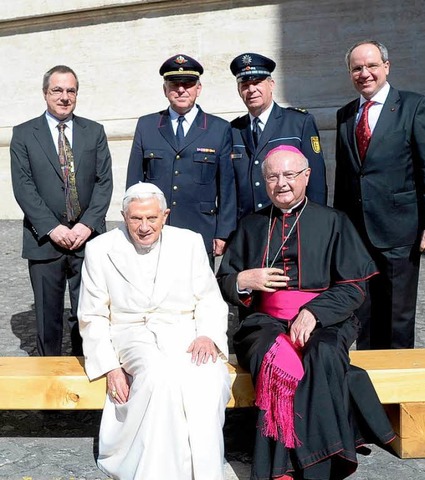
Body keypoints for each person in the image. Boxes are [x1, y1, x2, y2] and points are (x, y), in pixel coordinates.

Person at [218, 145, 395, 480]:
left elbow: (354, 287)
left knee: (323, 354)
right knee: (275, 361)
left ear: (306, 177)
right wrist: (245, 279)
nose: (281, 183)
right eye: (273, 176)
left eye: (289, 175)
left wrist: (314, 312)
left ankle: (300, 464)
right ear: (264, 181)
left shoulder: (334, 222)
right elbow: (224, 281)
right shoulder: (251, 224)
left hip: (325, 320)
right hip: (264, 322)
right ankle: (319, 455)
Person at [78, 182, 231, 480]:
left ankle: (203, 470)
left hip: (185, 333)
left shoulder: (189, 242)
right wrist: (110, 367)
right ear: (124, 217)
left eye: (151, 218)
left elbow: (209, 298)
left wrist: (207, 335)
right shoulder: (100, 249)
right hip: (132, 335)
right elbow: (92, 315)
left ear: (165, 215)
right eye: (136, 219)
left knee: (208, 377)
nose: (144, 226)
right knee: (160, 377)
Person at [334, 40, 425, 350]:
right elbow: (345, 177)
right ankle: (368, 380)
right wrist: (339, 229)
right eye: (357, 68)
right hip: (357, 234)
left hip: (399, 230)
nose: (365, 73)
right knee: (363, 312)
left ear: (386, 66)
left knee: (397, 315)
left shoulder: (414, 106)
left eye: (372, 65)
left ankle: (399, 383)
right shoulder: (345, 115)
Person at [10, 65, 113, 356]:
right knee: (47, 319)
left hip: (88, 240)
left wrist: (87, 225)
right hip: (43, 240)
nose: (64, 97)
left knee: (90, 315)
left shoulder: (94, 132)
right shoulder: (23, 134)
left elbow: (104, 182)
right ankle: (49, 383)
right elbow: (23, 187)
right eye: (57, 90)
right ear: (45, 93)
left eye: (71, 91)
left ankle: (87, 374)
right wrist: (53, 228)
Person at [126, 53, 236, 258]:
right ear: (165, 89)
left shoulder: (218, 128)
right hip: (154, 231)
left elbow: (227, 187)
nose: (181, 89)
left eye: (188, 83)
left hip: (201, 230)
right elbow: (134, 183)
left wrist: (223, 233)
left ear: (198, 88)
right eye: (175, 84)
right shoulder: (147, 125)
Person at [229, 52, 327, 218]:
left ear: (271, 84)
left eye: (257, 82)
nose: (251, 89)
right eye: (245, 84)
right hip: (248, 226)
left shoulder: (299, 122)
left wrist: (316, 222)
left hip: (291, 222)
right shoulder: (233, 129)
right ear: (239, 90)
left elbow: (316, 180)